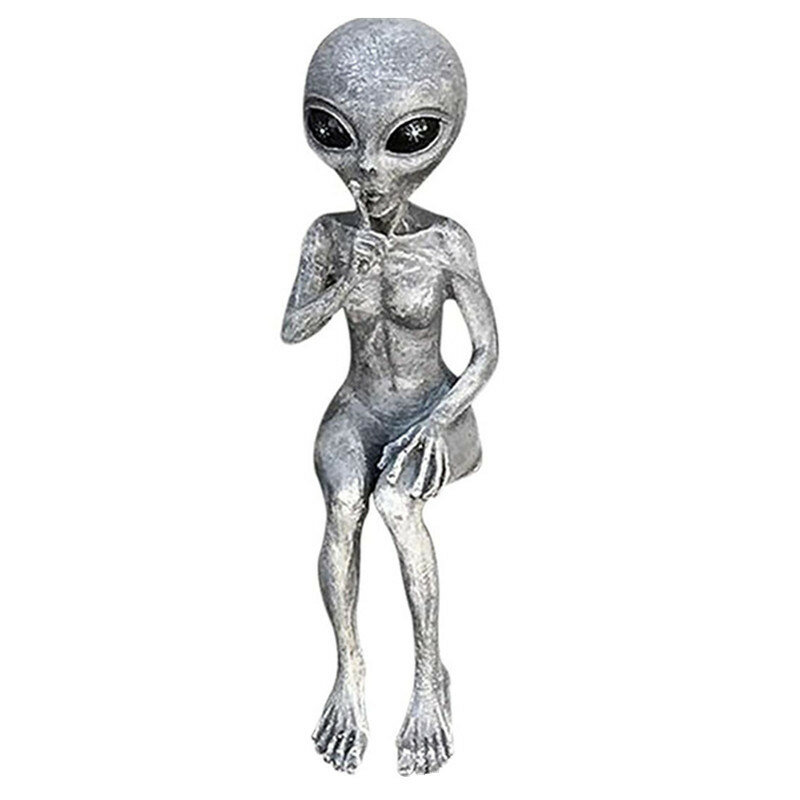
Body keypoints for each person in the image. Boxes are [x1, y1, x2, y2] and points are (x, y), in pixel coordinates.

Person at [282, 18, 498, 775]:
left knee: (397, 503)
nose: (368, 170)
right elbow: (292, 330)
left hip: (434, 405)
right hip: (359, 405)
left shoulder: (445, 242)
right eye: (338, 136)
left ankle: (430, 679)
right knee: (345, 503)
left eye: (403, 140)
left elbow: (487, 352)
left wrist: (440, 419)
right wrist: (346, 275)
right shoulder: (328, 235)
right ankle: (349, 671)